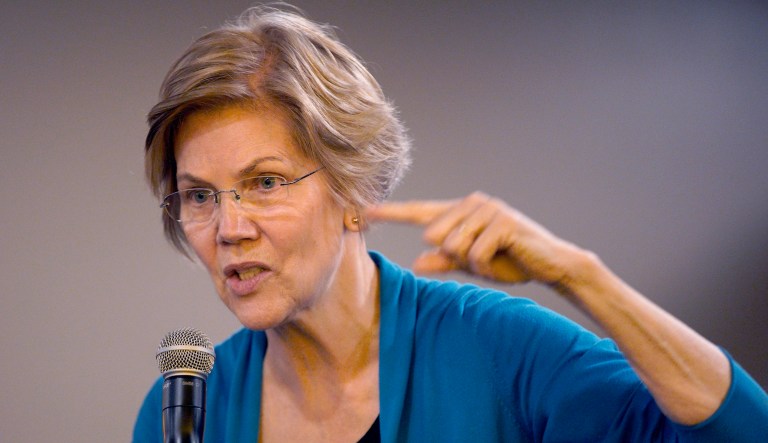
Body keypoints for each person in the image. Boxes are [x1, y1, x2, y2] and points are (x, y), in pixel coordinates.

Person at [133, 6, 768, 442]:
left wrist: (581, 276)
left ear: (354, 188)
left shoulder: (499, 350)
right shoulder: (191, 404)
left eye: (265, 183)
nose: (228, 227)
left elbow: (741, 430)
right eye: (199, 196)